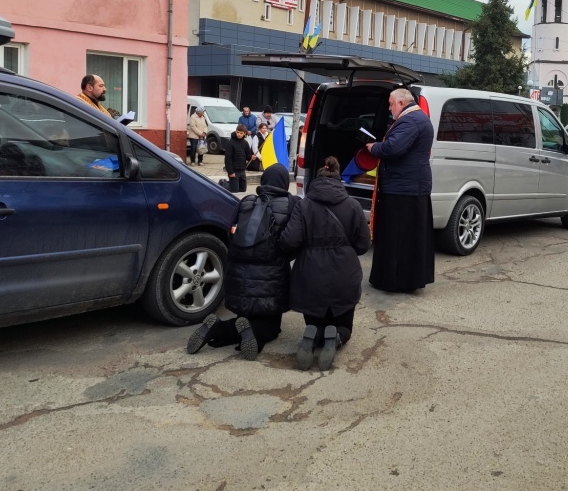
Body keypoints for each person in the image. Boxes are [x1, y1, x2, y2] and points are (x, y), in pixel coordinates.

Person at [186, 163, 298, 360]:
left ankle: (215, 328)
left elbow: (232, 235)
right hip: (271, 280)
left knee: (245, 318)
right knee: (271, 327)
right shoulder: (291, 204)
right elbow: (292, 241)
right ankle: (248, 334)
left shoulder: (247, 201)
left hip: (237, 279)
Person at [279, 156, 371, 370]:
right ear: (340, 179)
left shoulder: (304, 205)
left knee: (314, 319)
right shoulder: (354, 205)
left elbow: (289, 241)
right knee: (345, 327)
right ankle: (337, 335)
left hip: (309, 278)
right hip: (344, 278)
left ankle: (314, 332)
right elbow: (364, 245)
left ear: (316, 181)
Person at [365, 87, 435, 292]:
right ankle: (405, 279)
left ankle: (396, 281)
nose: (389, 108)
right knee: (408, 237)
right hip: (408, 186)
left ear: (402, 103)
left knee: (398, 238)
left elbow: (393, 148)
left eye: (391, 104)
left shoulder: (411, 120)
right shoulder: (415, 118)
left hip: (403, 189)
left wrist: (374, 147)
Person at [224, 124, 253, 193]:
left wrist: (251, 157)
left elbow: (248, 155)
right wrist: (230, 172)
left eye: (241, 133)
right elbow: (228, 159)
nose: (239, 134)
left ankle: (230, 184)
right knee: (234, 190)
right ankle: (223, 184)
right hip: (234, 170)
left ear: (244, 133)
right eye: (237, 132)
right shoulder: (230, 143)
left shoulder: (245, 143)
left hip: (242, 170)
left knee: (243, 189)